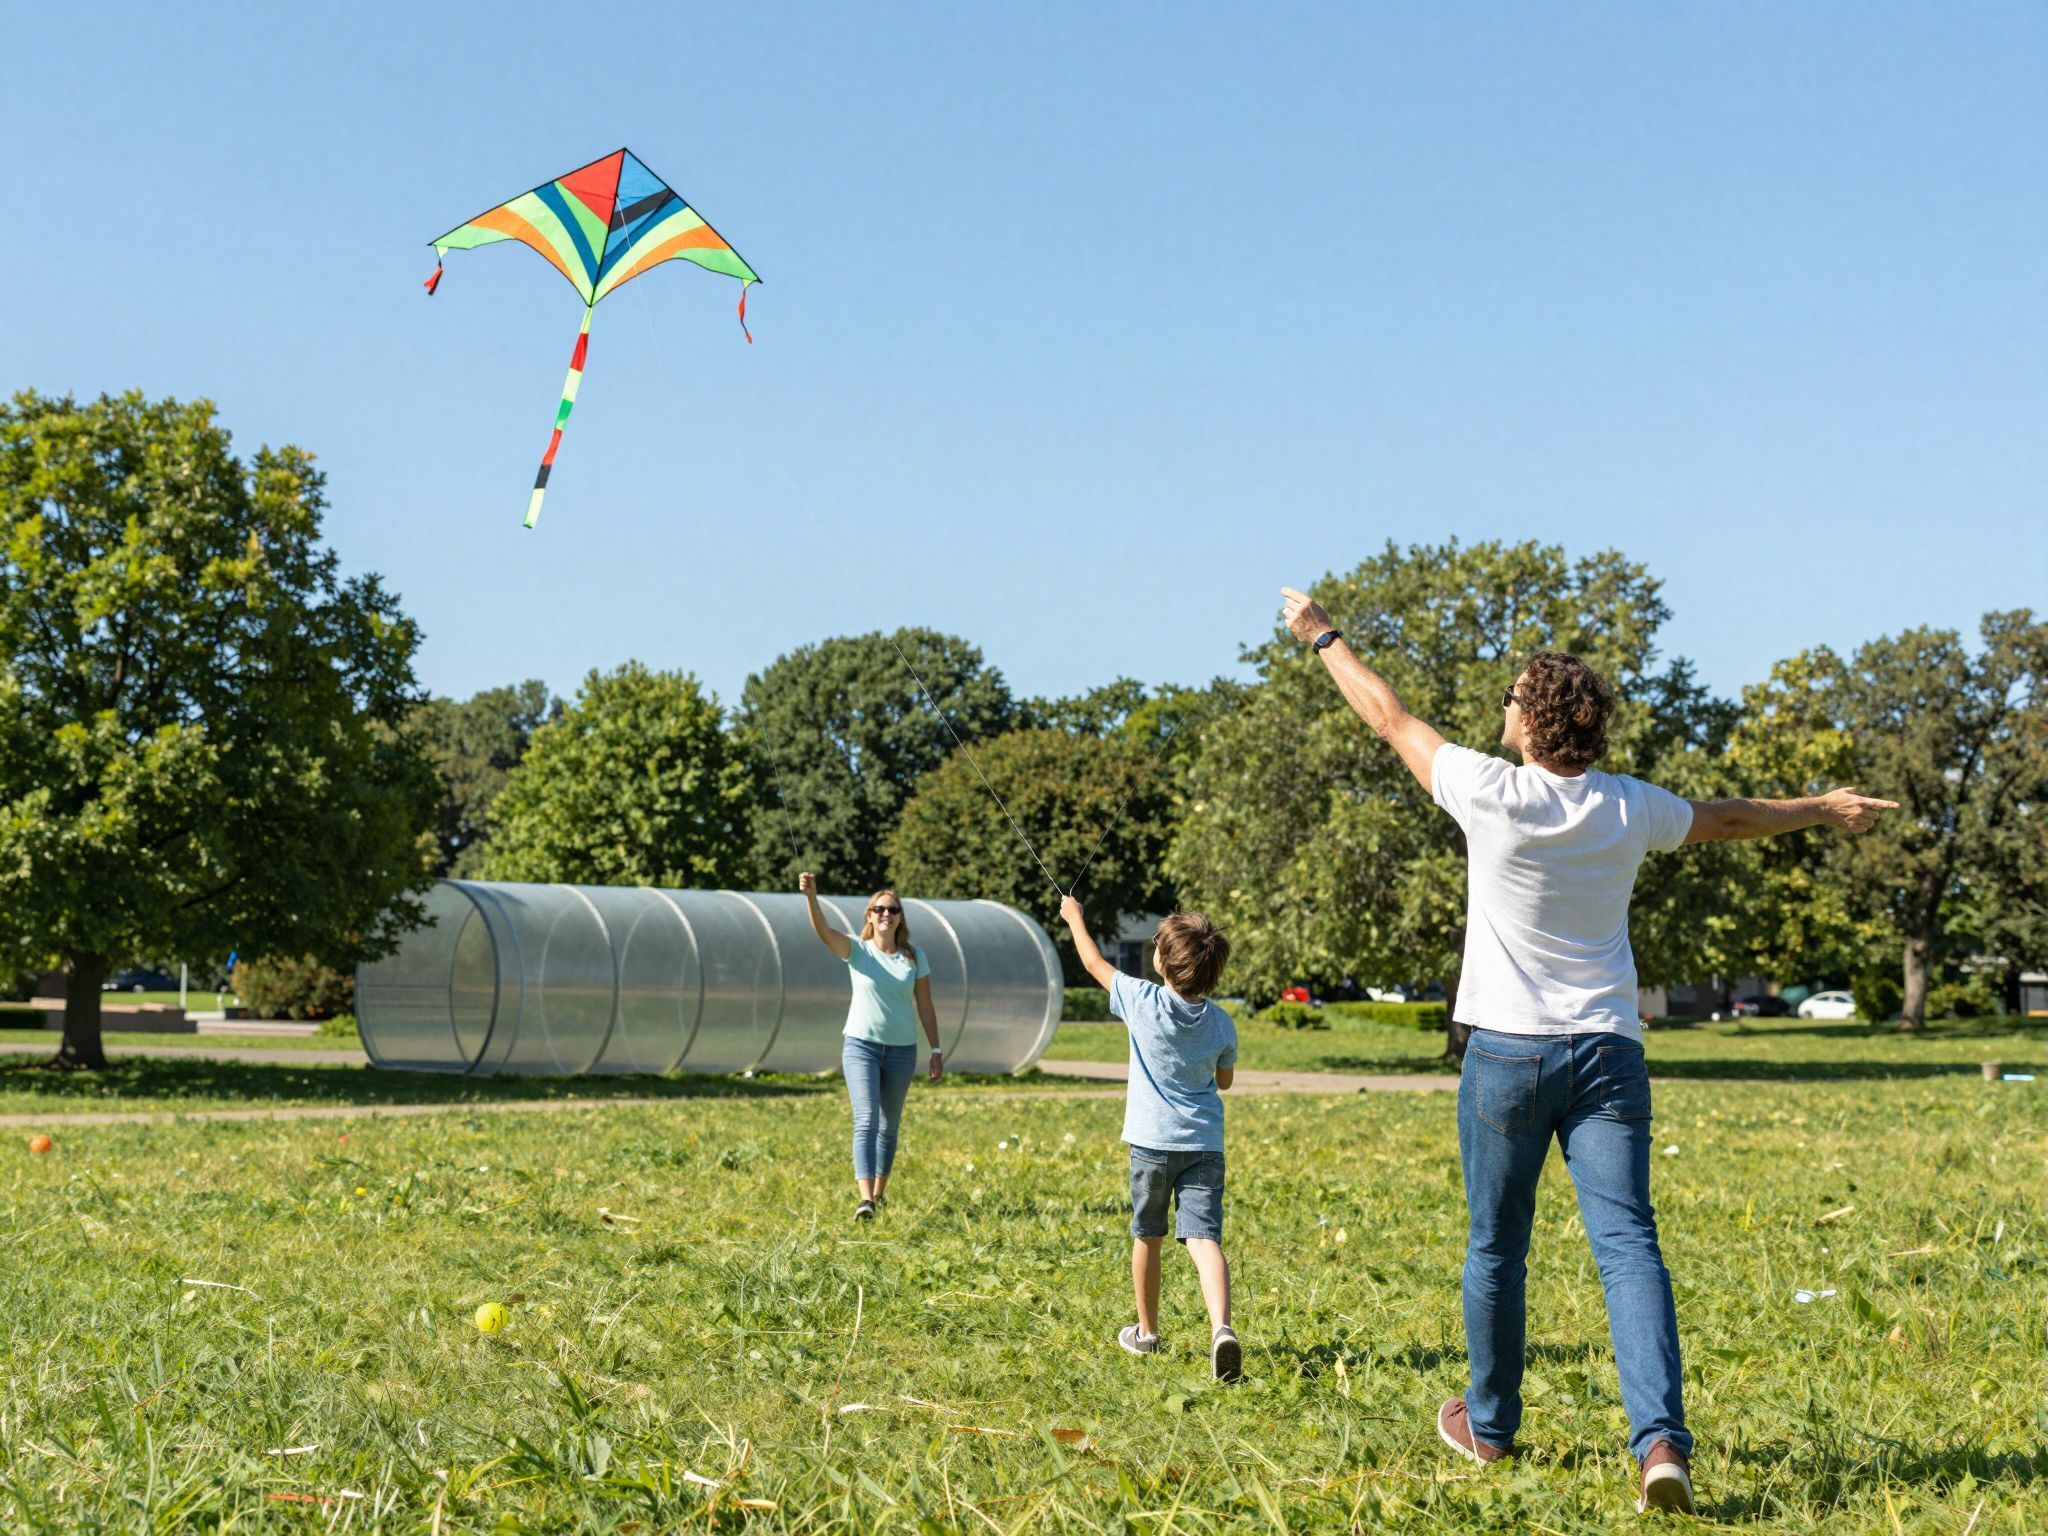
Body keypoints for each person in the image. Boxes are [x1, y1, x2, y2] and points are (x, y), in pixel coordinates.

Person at [1278, 585, 1897, 1516]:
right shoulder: (1629, 808)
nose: (1501, 713)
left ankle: (1488, 1429)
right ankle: (1659, 1447)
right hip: (1609, 1055)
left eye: (1509, 701)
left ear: (1528, 725)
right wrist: (1823, 806)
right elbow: (1729, 818)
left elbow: (1387, 714)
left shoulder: (1490, 791)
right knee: (1628, 1246)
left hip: (1509, 1058)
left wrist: (1321, 634)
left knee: (1497, 1247)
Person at [1060, 894, 1244, 1381]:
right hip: (1205, 1144)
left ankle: (1146, 1333)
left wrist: (1075, 916)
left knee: (1149, 1235)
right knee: (1204, 1239)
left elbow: (1092, 960)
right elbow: (1224, 1082)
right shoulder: (1222, 1023)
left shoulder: (1140, 1001)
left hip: (1151, 1145)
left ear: (1161, 961)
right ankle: (1221, 1329)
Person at [800, 873, 945, 1220]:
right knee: (865, 1120)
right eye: (878, 909)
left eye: (892, 909)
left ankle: (879, 1195)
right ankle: (864, 1199)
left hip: (901, 1051)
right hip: (861, 1047)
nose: (885, 914)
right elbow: (823, 932)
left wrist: (936, 1050)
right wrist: (811, 897)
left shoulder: (913, 957)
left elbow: (925, 1005)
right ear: (869, 916)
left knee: (888, 1125)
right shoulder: (857, 951)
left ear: (899, 917)